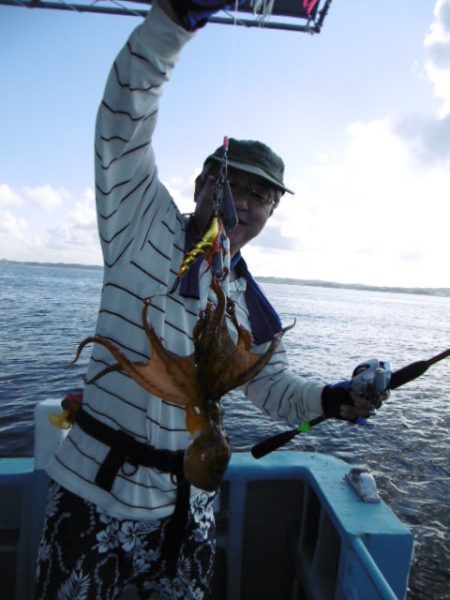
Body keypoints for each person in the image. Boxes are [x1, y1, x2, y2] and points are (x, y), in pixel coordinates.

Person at [35, 1, 387, 598]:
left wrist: (334, 398)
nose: (245, 204)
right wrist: (175, 19)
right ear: (200, 185)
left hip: (190, 510)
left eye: (263, 197)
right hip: (94, 496)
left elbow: (273, 387)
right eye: (234, 183)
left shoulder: (246, 296)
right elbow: (122, 120)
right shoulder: (139, 224)